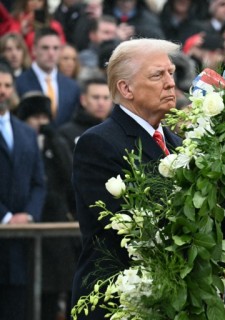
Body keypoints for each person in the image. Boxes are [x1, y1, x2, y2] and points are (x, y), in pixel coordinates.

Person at [71, 38, 183, 319]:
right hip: (119, 300)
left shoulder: (178, 142)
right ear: (126, 88)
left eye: (171, 73)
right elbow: (128, 227)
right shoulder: (98, 142)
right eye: (158, 75)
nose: (170, 83)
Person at [16, 91, 77, 320]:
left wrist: (56, 143)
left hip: (57, 223)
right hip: (30, 222)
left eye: (45, 118)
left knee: (61, 286)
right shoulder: (22, 143)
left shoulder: (56, 142)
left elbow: (69, 176)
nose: (41, 124)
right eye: (35, 118)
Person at [0, 63, 46, 320]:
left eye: (7, 85)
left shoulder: (27, 133)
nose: (3, 92)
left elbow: (39, 182)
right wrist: (6, 217)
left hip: (21, 245)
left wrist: (28, 215)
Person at [15, 27, 80, 127]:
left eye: (55, 48)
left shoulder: (72, 87)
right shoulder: (18, 83)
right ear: (34, 50)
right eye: (45, 48)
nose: (51, 53)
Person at [58, 77, 113, 153]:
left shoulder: (117, 132)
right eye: (96, 97)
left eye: (106, 98)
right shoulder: (66, 133)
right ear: (83, 100)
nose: (101, 103)